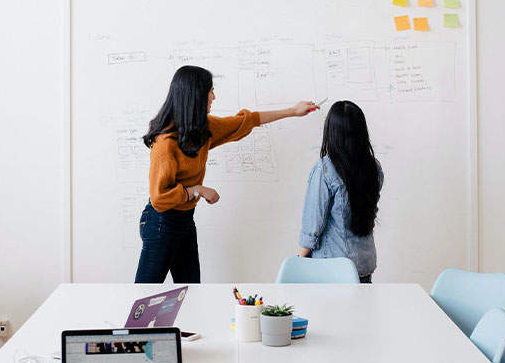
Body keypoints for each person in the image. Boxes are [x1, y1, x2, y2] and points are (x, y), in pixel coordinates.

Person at [135, 65, 318, 283]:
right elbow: (159, 198)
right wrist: (197, 190)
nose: (214, 96)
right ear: (195, 95)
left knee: (191, 292)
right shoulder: (165, 144)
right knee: (145, 296)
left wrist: (292, 111)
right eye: (210, 91)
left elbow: (246, 121)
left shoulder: (201, 128)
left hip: (184, 220)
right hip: (160, 222)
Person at [298, 100, 383, 283]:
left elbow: (313, 225)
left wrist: (298, 261)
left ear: (331, 131)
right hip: (363, 266)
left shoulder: (325, 169)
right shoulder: (373, 167)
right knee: (360, 312)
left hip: (331, 268)